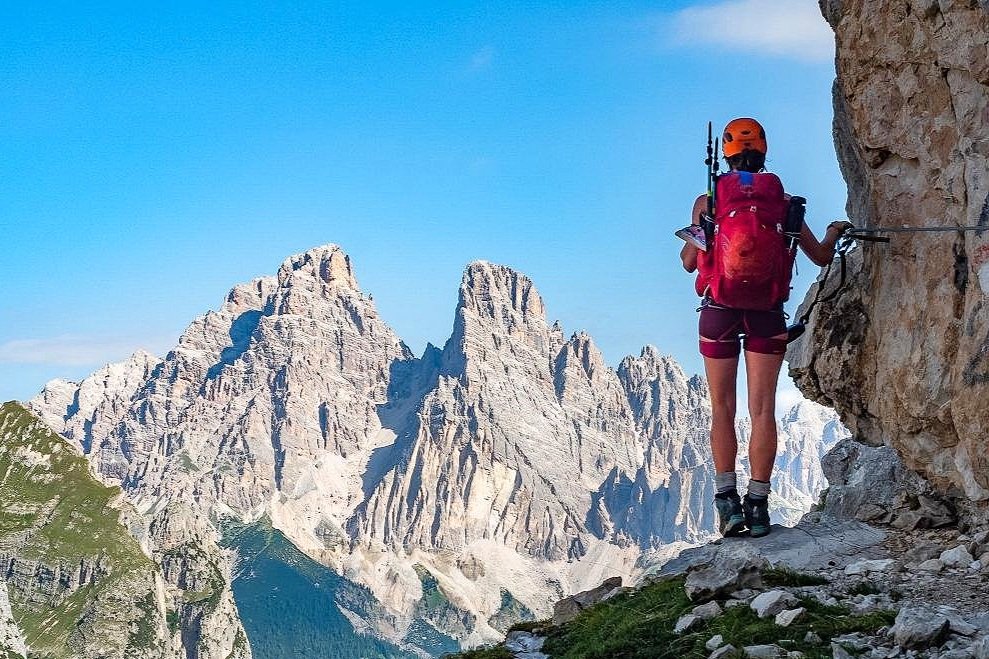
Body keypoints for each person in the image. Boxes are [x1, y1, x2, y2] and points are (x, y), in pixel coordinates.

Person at [679, 117, 851, 538]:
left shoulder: (708, 201)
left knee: (722, 408)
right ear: (764, 151)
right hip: (767, 313)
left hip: (718, 311)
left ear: (726, 155)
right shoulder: (784, 203)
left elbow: (688, 263)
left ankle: (728, 505)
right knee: (762, 410)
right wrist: (834, 231)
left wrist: (706, 228)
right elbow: (821, 257)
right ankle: (758, 506)